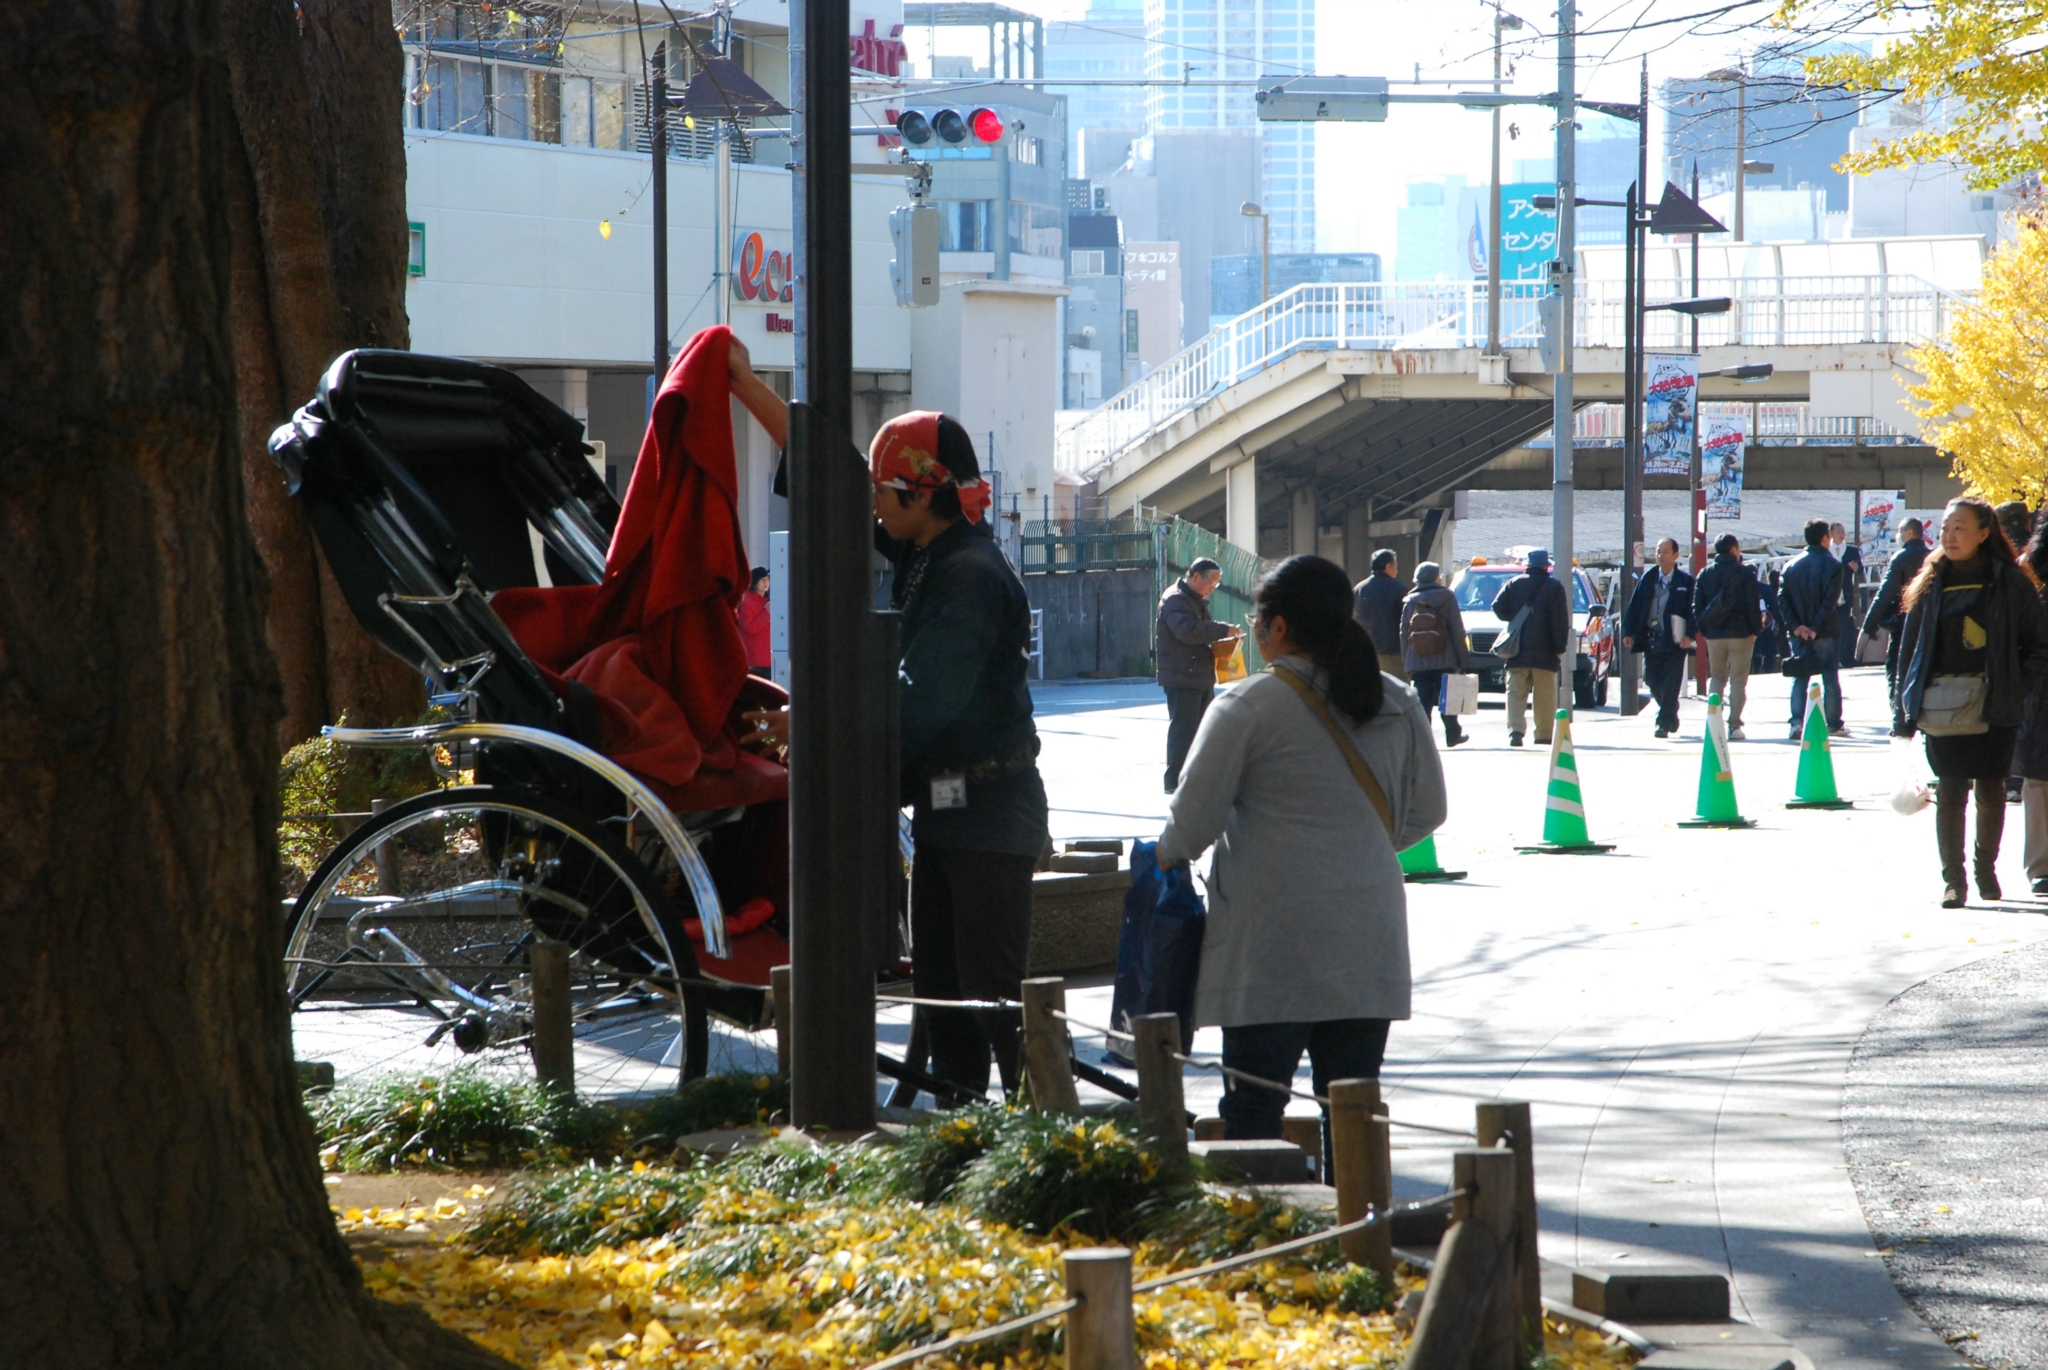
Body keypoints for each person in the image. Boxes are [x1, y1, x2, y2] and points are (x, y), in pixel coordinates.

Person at [726, 341, 1047, 1098]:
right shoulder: (930, 549)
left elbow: (923, 699)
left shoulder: (968, 576)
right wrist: (743, 384)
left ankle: (1043, 1135)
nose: (872, 503)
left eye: (884, 493)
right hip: (946, 814)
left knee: (994, 999)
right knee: (944, 997)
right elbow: (831, 479)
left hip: (990, 813)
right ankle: (966, 1140)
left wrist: (816, 728)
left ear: (921, 494)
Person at [1157, 555, 1446, 1146]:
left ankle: (1273, 1236)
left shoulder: (1247, 705)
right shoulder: (1397, 699)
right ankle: (1361, 1232)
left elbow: (1189, 829)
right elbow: (1430, 811)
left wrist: (1154, 868)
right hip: (1369, 935)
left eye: (1259, 622)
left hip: (1272, 945)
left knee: (1255, 1117)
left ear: (1278, 628)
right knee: (1353, 1112)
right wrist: (1359, 845)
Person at [1894, 497, 2048, 907]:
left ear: (1985, 533)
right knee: (1950, 792)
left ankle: (1985, 870)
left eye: (1960, 528)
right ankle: (1954, 881)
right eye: (1945, 528)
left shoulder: (2011, 582)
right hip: (1940, 706)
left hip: (1994, 704)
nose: (1950, 536)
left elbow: (2038, 645)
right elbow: (1908, 653)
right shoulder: (1929, 582)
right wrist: (1903, 713)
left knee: (1991, 789)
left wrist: (2016, 687)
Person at [1157, 558, 1244, 792]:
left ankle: (1196, 777)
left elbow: (1200, 632)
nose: (1213, 588)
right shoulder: (1175, 599)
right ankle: (1174, 781)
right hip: (1182, 675)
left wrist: (1225, 638)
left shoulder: (1194, 600)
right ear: (1196, 577)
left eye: (1217, 584)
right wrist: (1222, 630)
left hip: (1199, 674)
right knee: (1183, 730)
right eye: (1212, 583)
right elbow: (1186, 631)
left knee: (1203, 729)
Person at [1491, 549, 1572, 747]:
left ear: (1527, 565)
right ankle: (1543, 735)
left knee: (1516, 693)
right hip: (1545, 653)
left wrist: (1515, 618)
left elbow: (1497, 606)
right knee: (1545, 696)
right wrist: (1560, 647)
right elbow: (1560, 621)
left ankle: (1516, 732)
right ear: (1546, 566)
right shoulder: (1554, 587)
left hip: (1517, 650)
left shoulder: (1514, 583)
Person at [1621, 538, 1695, 739]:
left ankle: (1662, 723)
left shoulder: (1686, 582)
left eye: (1665, 552)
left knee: (1671, 683)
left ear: (1675, 555)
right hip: (1651, 638)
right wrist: (1628, 632)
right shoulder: (1649, 578)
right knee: (1651, 680)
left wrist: (1690, 635)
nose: (1660, 556)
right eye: (1658, 552)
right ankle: (1670, 711)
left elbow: (1692, 611)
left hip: (1675, 641)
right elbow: (1635, 606)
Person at [1780, 518, 1846, 738]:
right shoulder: (1834, 566)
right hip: (1826, 631)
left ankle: (1797, 722)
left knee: (1800, 676)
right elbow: (1830, 600)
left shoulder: (1790, 566)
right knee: (1830, 678)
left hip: (1798, 633)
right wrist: (1815, 627)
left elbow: (1783, 599)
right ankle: (1833, 724)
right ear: (1825, 538)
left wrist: (1796, 626)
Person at [1692, 533, 1762, 738]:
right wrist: (1755, 630)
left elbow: (1697, 606)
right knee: (1738, 680)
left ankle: (1714, 720)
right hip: (1741, 634)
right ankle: (1734, 725)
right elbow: (1752, 606)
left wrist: (1704, 630)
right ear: (1734, 549)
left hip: (1714, 635)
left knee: (1717, 677)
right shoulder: (1745, 574)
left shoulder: (1705, 574)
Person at [1400, 561, 1471, 747]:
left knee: (1422, 700)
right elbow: (1457, 629)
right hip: (1445, 658)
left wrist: (1406, 659)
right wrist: (1462, 658)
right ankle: (1453, 734)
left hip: (1418, 658)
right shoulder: (1447, 597)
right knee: (1448, 699)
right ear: (1435, 577)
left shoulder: (1410, 600)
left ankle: (1423, 739)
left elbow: (1404, 632)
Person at [1863, 517, 1929, 711]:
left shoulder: (1900, 558)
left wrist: (1868, 627)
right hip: (1928, 622)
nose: (1896, 536)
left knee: (1897, 669)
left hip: (1902, 624)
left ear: (1909, 533)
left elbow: (1884, 595)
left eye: (1899, 531)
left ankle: (1898, 712)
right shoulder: (1933, 557)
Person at [2015, 522, 2048, 898]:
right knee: (2039, 779)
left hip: (2037, 687)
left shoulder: (2029, 570)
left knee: (2039, 781)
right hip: (2040, 686)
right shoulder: (2030, 572)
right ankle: (2041, 865)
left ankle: (2041, 865)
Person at [1353, 549, 1410, 681]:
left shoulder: (1359, 589)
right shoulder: (1399, 588)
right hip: (1393, 651)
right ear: (1388, 567)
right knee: (1398, 692)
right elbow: (1407, 619)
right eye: (1395, 566)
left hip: (1365, 651)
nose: (1397, 570)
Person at [737, 566, 772, 679]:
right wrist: (766, 613)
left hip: (769, 658)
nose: (765, 582)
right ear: (754, 583)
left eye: (767, 579)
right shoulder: (747, 602)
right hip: (757, 660)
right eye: (761, 580)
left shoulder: (768, 600)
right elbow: (749, 628)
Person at [1836, 541, 1865, 667]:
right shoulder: (1826, 549)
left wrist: (1856, 568)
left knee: (1844, 626)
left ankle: (1844, 657)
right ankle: (1834, 658)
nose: (1841, 534)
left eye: (1842, 531)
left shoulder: (1851, 550)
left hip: (1845, 595)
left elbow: (1860, 570)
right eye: (1838, 531)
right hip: (1830, 596)